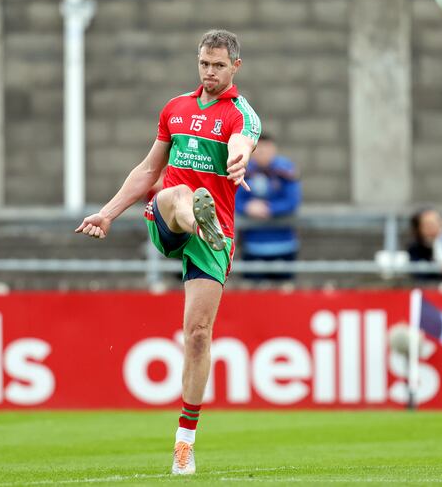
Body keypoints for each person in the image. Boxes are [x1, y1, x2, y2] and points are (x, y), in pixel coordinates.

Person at [75, 29, 260, 476]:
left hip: (216, 239)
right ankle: (198, 217)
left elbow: (243, 143)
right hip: (167, 218)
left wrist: (238, 159)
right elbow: (147, 170)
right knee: (179, 194)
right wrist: (107, 213)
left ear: (235, 66)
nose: (209, 72)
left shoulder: (241, 114)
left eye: (218, 65)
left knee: (197, 334)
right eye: (203, 64)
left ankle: (184, 441)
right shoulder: (175, 109)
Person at [235, 133, 302, 280]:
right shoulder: (243, 170)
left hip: (284, 245)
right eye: (257, 149)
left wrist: (269, 208)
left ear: (273, 149)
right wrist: (247, 207)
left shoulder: (285, 170)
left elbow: (292, 201)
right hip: (253, 245)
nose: (261, 153)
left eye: (265, 149)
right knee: (253, 298)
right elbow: (234, 200)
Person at [407, 208, 442, 282]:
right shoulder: (415, 248)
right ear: (419, 228)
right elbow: (420, 276)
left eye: (436, 223)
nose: (433, 227)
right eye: (428, 224)